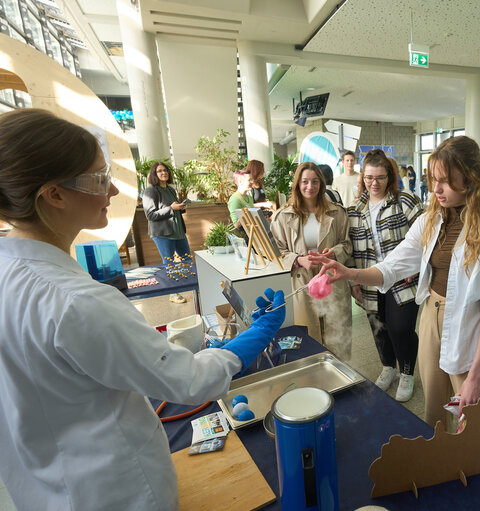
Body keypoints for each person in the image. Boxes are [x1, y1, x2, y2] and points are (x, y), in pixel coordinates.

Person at [0, 108, 286, 510]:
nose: (114, 192)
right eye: (100, 179)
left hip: (42, 489)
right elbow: (189, 381)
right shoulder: (76, 301)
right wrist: (253, 338)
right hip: (112, 492)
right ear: (54, 194)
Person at [311, 136, 480, 475]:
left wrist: (475, 375)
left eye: (445, 180)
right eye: (432, 178)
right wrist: (349, 272)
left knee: (476, 425)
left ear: (470, 177)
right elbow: (393, 266)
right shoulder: (431, 221)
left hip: (472, 330)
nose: (435, 188)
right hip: (431, 318)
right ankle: (443, 476)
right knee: (436, 413)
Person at [347, 149, 423, 402]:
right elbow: (352, 250)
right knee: (378, 328)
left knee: (401, 328)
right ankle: (388, 367)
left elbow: (430, 236)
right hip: (370, 279)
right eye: (369, 177)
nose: (374, 183)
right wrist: (353, 281)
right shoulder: (355, 210)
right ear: (362, 177)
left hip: (403, 279)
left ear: (389, 176)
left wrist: (419, 267)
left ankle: (407, 373)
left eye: (380, 177)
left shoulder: (405, 201)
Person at [270, 162, 353, 359]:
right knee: (308, 339)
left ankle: (339, 380)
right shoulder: (282, 216)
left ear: (322, 184)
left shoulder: (337, 212)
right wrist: (298, 259)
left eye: (315, 182)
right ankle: (314, 381)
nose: (310, 186)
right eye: (305, 181)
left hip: (332, 279)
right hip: (302, 282)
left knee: (337, 338)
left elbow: (347, 244)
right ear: (297, 184)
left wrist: (332, 253)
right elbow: (275, 252)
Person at [142, 160, 193, 303]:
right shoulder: (150, 190)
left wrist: (181, 208)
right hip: (163, 233)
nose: (163, 173)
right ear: (154, 174)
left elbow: (174, 208)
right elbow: (150, 215)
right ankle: (173, 293)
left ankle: (188, 285)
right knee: (169, 263)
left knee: (187, 259)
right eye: (159, 171)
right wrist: (171, 208)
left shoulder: (171, 189)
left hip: (178, 231)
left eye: (165, 170)